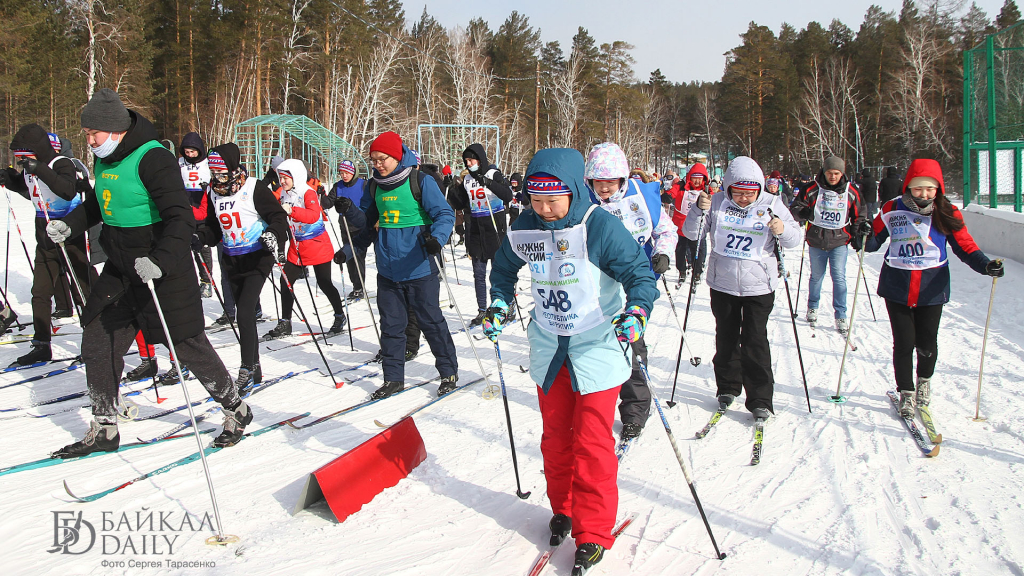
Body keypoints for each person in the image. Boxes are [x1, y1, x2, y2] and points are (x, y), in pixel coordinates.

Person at [482, 148, 658, 575]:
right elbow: (502, 269)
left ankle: (594, 530)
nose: (543, 209)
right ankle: (564, 508)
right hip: (549, 346)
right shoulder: (525, 225)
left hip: (596, 346)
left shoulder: (599, 225)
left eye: (552, 200)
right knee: (556, 439)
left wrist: (636, 310)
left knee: (592, 444)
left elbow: (640, 274)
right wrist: (500, 302)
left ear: (575, 191)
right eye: (536, 200)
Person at [48, 88, 251, 455]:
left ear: (115, 129)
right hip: (122, 267)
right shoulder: (104, 157)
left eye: (94, 133)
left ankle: (235, 407)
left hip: (163, 267)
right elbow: (99, 202)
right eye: (86, 133)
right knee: (98, 338)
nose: (89, 140)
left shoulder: (154, 158)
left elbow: (180, 218)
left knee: (187, 344)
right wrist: (71, 224)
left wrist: (159, 261)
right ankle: (105, 426)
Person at [864, 159, 1003, 417]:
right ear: (908, 186)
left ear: (938, 189)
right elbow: (872, 243)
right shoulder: (892, 208)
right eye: (918, 188)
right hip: (898, 285)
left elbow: (965, 246)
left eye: (930, 189)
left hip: (932, 287)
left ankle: (924, 382)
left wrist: (986, 265)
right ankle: (906, 392)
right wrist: (862, 233)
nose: (924, 194)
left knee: (927, 342)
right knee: (904, 342)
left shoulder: (947, 211)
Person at [682, 156, 800, 418]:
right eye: (738, 193)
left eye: (750, 193)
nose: (744, 199)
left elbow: (794, 239)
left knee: (755, 341)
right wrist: (697, 210)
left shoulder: (772, 203)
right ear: (728, 188)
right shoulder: (716, 203)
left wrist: (782, 229)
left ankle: (760, 399)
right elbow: (691, 234)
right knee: (726, 338)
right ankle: (727, 387)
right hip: (723, 284)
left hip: (759, 286)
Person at [353, 131, 458, 399]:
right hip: (388, 270)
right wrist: (348, 238)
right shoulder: (374, 186)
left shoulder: (419, 181)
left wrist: (437, 239)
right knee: (391, 326)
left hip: (419, 267)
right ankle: (393, 378)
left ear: (396, 156)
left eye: (382, 159)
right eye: (374, 160)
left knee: (431, 322)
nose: (378, 164)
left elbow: (444, 214)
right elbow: (366, 223)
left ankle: (448, 372)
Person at [585, 142, 675, 440]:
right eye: (598, 182)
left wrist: (663, 252)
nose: (604, 188)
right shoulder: (583, 200)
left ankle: (635, 410)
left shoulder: (641, 196)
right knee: (595, 346)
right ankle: (593, 406)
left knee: (630, 341)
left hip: (633, 282)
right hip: (595, 285)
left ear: (622, 179)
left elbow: (666, 230)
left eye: (610, 182)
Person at [192, 144, 289, 388]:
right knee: (243, 316)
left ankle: (246, 368)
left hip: (257, 256)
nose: (218, 176)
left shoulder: (253, 187)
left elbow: (278, 217)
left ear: (232, 167)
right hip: (232, 259)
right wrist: (200, 237)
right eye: (214, 171)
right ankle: (255, 368)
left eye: (221, 171)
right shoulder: (213, 192)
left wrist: (273, 234)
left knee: (245, 312)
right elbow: (214, 228)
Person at [1, 125, 96, 366]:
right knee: (40, 292)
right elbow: (30, 190)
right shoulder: (30, 168)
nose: (22, 159)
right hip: (44, 238)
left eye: (25, 154)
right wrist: (10, 179)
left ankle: (94, 342)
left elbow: (67, 190)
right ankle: (41, 345)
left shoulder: (61, 163)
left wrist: (39, 169)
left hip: (68, 234)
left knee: (82, 290)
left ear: (38, 149)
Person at [261, 159, 347, 339]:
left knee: (324, 282)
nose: (282, 181)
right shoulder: (284, 193)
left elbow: (313, 215)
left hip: (316, 243)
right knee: (286, 281)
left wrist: (292, 211)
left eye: (286, 178)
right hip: (297, 245)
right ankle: (285, 322)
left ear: (296, 177)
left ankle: (339, 315)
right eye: (280, 178)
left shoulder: (307, 192)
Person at [789, 156, 865, 335]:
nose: (833, 176)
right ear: (824, 171)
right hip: (816, 240)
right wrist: (804, 212)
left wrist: (858, 233)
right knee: (817, 277)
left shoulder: (851, 191)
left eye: (836, 173)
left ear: (842, 173)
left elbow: (859, 215)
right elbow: (795, 209)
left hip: (839, 241)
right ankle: (812, 306)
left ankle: (841, 314)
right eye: (829, 172)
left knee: (839, 278)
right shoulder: (812, 189)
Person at [448, 143, 515, 326]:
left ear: (480, 159)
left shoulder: (493, 174)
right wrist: (452, 190)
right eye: (466, 161)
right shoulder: (468, 179)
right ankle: (482, 310)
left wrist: (488, 183)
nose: (469, 164)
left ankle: (506, 306)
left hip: (495, 228)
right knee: (478, 274)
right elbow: (460, 203)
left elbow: (507, 195)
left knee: (498, 273)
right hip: (477, 230)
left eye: (471, 160)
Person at [324, 160, 369, 301]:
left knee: (358, 257)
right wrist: (320, 195)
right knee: (348, 257)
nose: (344, 175)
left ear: (354, 172)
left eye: (347, 173)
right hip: (345, 226)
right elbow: (327, 203)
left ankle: (360, 287)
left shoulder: (363, 185)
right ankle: (356, 286)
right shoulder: (338, 186)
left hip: (360, 226)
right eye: (342, 173)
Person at [178, 131, 213, 298]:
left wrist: (209, 186)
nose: (190, 155)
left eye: (193, 152)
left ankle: (206, 281)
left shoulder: (207, 163)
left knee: (202, 246)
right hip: (185, 206)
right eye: (187, 152)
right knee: (183, 245)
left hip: (203, 207)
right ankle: (186, 281)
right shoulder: (180, 163)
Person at [671, 163, 711, 285]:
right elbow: (671, 193)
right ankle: (682, 270)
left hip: (698, 227)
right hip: (681, 226)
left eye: (700, 178)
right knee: (681, 250)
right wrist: (668, 193)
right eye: (694, 178)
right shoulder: (682, 187)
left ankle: (697, 272)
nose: (697, 181)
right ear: (690, 177)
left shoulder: (707, 190)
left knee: (698, 250)